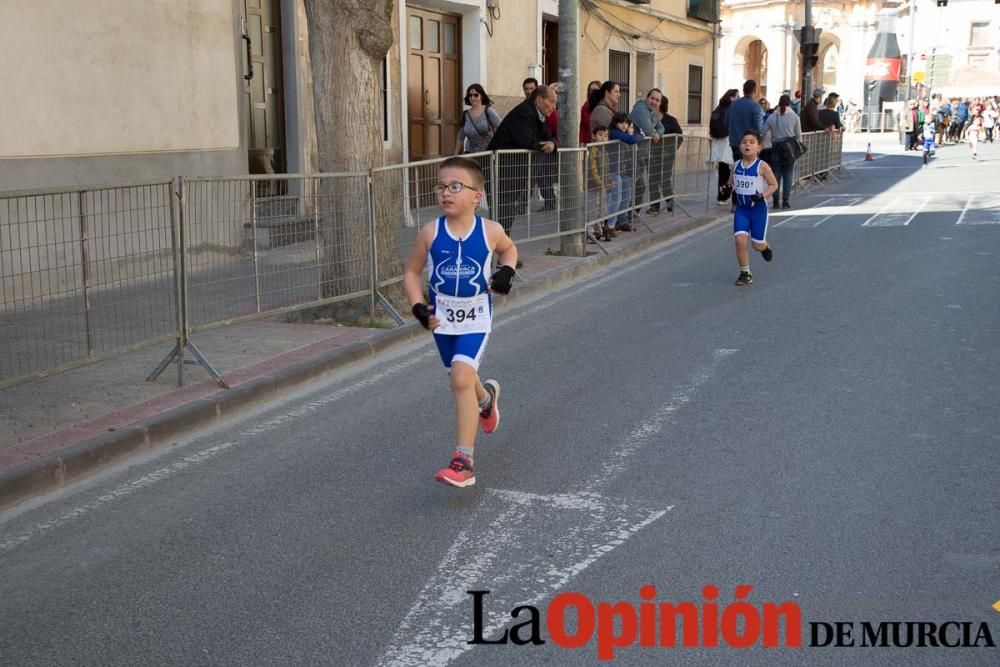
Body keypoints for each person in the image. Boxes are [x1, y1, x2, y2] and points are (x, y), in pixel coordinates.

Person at [403, 157, 518, 488]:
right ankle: (486, 400)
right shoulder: (430, 232)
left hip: (476, 315)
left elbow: (509, 250)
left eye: (455, 186)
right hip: (442, 319)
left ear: (475, 196)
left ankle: (463, 461)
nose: (445, 193)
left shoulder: (490, 230)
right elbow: (411, 272)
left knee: (459, 378)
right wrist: (418, 306)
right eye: (440, 186)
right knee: (462, 379)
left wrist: (507, 270)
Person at [487, 85, 558, 256]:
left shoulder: (537, 114)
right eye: (552, 102)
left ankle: (503, 253)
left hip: (514, 169)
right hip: (501, 169)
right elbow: (526, 141)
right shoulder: (524, 113)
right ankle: (500, 254)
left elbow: (548, 136)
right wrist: (547, 145)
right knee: (502, 212)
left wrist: (553, 144)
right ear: (540, 100)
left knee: (507, 212)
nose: (554, 106)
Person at [727, 130, 777, 286]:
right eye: (744, 142)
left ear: (759, 147)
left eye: (751, 142)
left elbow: (774, 185)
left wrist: (762, 195)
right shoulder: (735, 165)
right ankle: (745, 273)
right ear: (740, 146)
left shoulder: (762, 166)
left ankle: (764, 246)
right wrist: (727, 189)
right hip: (742, 209)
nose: (747, 144)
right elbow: (732, 184)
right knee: (740, 240)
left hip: (758, 211)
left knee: (756, 245)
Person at [762, 93, 802, 209]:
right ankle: (785, 201)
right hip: (789, 149)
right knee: (788, 175)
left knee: (776, 175)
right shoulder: (794, 117)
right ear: (789, 103)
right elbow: (798, 135)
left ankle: (775, 201)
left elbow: (763, 131)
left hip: (775, 149)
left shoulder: (772, 116)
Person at [629, 89, 665, 214]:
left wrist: (658, 134)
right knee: (637, 187)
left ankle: (630, 216)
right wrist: (654, 134)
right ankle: (627, 217)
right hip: (630, 155)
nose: (654, 102)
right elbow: (649, 129)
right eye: (652, 98)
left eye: (657, 100)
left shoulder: (652, 112)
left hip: (640, 155)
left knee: (637, 187)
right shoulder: (641, 110)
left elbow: (661, 128)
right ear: (647, 97)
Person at [608, 112, 644, 231]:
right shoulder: (614, 133)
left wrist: (637, 135)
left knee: (627, 196)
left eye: (626, 123)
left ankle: (622, 220)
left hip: (624, 170)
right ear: (615, 123)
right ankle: (610, 224)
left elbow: (635, 136)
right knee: (616, 197)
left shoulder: (624, 132)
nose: (624, 125)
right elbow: (632, 139)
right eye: (621, 123)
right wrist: (638, 136)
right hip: (613, 169)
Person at [454, 83, 502, 155]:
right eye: (470, 95)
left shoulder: (488, 110)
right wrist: (455, 155)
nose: (472, 98)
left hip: (487, 154)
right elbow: (461, 136)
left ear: (481, 96)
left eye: (476, 95)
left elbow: (501, 128)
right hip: (470, 154)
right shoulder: (465, 114)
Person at [587, 125, 616, 241]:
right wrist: (600, 184)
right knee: (592, 209)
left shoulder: (604, 151)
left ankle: (598, 231)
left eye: (605, 136)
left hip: (602, 186)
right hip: (593, 186)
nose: (603, 138)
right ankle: (589, 232)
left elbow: (606, 169)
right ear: (593, 136)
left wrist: (608, 181)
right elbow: (593, 169)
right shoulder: (593, 149)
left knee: (601, 209)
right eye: (600, 135)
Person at [709, 89, 739, 204]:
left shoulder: (718, 108)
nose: (738, 99)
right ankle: (726, 195)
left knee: (722, 171)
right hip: (728, 142)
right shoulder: (731, 109)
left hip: (719, 143)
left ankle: (721, 196)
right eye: (737, 96)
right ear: (731, 97)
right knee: (731, 172)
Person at [656, 95, 683, 214]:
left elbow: (679, 136)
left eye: (657, 101)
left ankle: (669, 202)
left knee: (664, 179)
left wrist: (670, 150)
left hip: (666, 156)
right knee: (653, 180)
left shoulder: (671, 120)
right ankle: (654, 206)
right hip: (652, 156)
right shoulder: (649, 119)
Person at [579, 80, 602, 144]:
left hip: (601, 141)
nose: (592, 92)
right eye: (590, 90)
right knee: (592, 154)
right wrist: (581, 141)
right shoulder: (585, 107)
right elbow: (582, 126)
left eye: (595, 90)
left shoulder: (603, 106)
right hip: (589, 142)